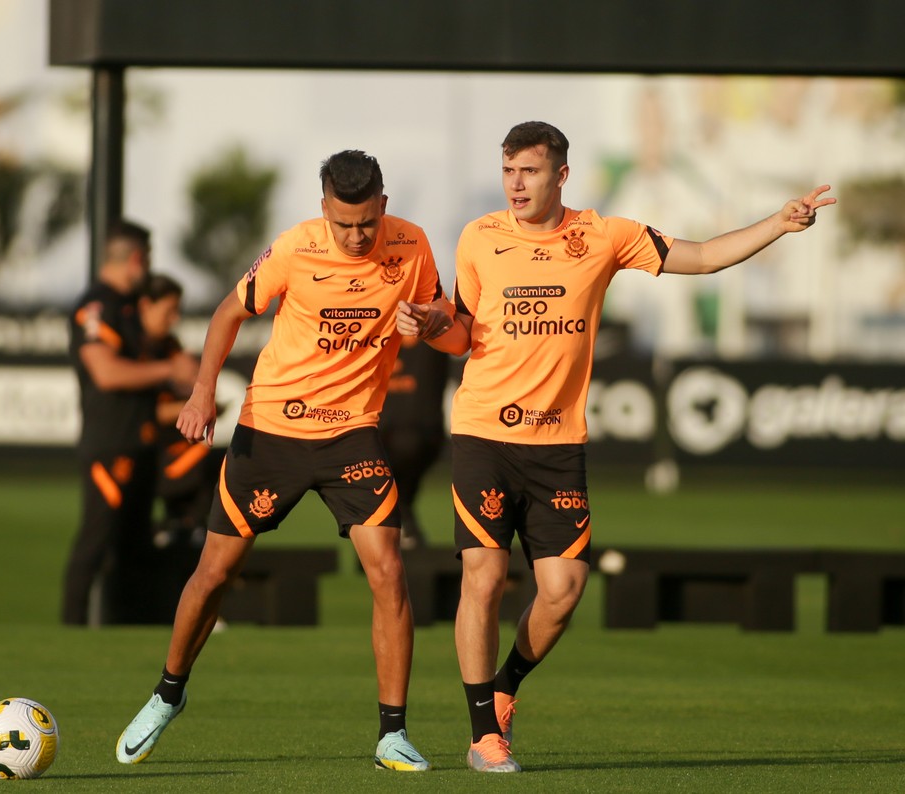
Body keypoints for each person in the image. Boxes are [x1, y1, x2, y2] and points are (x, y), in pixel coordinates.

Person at [397, 120, 835, 773]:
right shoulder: (479, 237)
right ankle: (484, 734)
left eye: (531, 171)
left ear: (561, 175)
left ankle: (506, 686)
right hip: (484, 432)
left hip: (558, 446)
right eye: (509, 170)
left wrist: (777, 221)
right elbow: (462, 334)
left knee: (563, 590)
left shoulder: (604, 236)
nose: (516, 184)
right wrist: (431, 324)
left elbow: (706, 256)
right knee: (482, 577)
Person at [115, 150, 450, 772]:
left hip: (353, 432)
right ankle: (167, 693)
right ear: (324, 208)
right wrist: (200, 392)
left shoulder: (414, 244)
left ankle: (392, 734)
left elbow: (443, 313)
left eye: (366, 223)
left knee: (388, 572)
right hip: (271, 429)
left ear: (383, 202)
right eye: (343, 223)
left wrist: (429, 319)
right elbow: (228, 312)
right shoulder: (295, 248)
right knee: (214, 573)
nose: (355, 236)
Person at [63, 220, 199, 625]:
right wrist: (169, 370)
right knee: (95, 541)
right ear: (136, 259)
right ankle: (68, 629)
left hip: (140, 443)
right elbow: (106, 373)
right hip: (109, 444)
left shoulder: (129, 309)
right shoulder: (96, 306)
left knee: (134, 546)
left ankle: (127, 628)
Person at [137, 273, 224, 622]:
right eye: (169, 309)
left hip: (177, 449)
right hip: (151, 456)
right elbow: (140, 412)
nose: (174, 318)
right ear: (146, 306)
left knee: (216, 457)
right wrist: (188, 407)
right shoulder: (136, 348)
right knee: (213, 460)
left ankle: (189, 526)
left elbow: (190, 381)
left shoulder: (170, 346)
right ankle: (188, 526)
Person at [379, 336, 451, 549]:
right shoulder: (438, 316)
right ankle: (406, 535)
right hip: (422, 431)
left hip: (399, 431)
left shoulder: (435, 315)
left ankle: (403, 535)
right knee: (399, 497)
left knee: (393, 497)